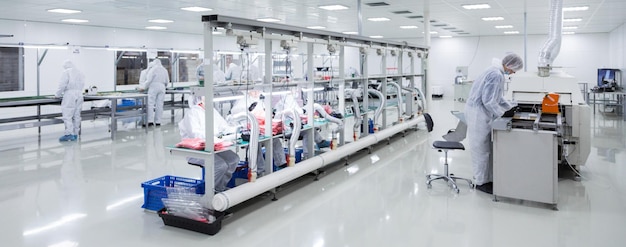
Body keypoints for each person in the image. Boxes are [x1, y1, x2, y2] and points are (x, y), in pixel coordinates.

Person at [464, 53, 524, 194]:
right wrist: (502, 113)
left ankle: (487, 178)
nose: (514, 72)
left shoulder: (494, 71)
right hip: (477, 113)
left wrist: (510, 107)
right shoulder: (496, 74)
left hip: (480, 111)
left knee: (486, 148)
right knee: (480, 149)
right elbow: (489, 101)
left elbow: (498, 97)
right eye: (514, 69)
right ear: (510, 65)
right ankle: (480, 182)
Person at [179, 96, 239, 192]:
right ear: (199, 99)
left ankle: (220, 188)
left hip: (214, 146)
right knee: (220, 165)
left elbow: (223, 126)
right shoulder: (193, 113)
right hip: (197, 150)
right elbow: (194, 134)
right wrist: (214, 135)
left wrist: (235, 129)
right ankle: (208, 193)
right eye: (204, 97)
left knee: (234, 159)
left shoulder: (212, 111)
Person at [231, 90, 287, 174]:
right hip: (248, 131)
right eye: (253, 91)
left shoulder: (260, 101)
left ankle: (281, 164)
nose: (256, 93)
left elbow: (266, 113)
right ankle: (261, 171)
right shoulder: (242, 102)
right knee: (255, 145)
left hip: (262, 130)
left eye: (257, 91)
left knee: (275, 140)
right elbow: (236, 115)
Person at [55, 60, 85, 142]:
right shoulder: (80, 72)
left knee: (67, 114)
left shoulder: (66, 72)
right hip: (79, 94)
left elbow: (62, 84)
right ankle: (75, 133)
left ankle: (69, 134)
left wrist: (57, 94)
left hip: (70, 94)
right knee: (76, 115)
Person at [143, 59, 170, 127]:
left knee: (150, 104)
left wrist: (144, 87)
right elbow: (167, 81)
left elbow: (148, 80)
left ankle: (150, 121)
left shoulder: (153, 69)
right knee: (160, 105)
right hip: (162, 87)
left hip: (153, 86)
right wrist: (164, 86)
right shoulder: (164, 70)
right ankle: (158, 121)